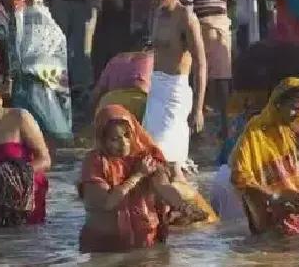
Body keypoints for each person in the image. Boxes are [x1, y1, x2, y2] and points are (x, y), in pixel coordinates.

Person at [78, 104, 209, 253]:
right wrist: (138, 175)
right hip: (104, 248)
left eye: (127, 136)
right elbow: (107, 202)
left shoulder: (146, 157)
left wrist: (183, 207)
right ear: (103, 139)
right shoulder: (95, 162)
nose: (123, 143)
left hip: (147, 244)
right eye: (115, 139)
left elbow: (163, 187)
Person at [230, 78, 299, 236]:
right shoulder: (256, 131)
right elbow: (239, 176)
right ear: (278, 104)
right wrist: (275, 196)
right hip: (271, 214)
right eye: (294, 109)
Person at [141, 0, 206, 180]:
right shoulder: (157, 14)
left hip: (176, 92)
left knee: (169, 157)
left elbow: (202, 64)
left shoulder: (186, 17)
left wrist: (198, 109)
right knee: (151, 155)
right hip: (156, 89)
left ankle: (186, 206)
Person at [1, 0, 72, 144]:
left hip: (40, 88)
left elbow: (44, 58)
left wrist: (25, 70)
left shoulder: (41, 22)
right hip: (22, 87)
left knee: (48, 135)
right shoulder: (13, 20)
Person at [0, 75, 50, 226]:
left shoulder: (20, 118)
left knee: (25, 245)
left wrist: (12, 175)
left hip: (24, 200)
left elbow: (45, 160)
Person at [181, 0, 234, 138]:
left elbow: (187, 4)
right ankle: (225, 124)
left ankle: (197, 118)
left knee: (198, 74)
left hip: (201, 25)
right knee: (222, 78)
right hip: (222, 25)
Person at [91, 49, 154, 121]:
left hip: (111, 101)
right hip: (139, 102)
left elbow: (98, 92)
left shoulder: (114, 60)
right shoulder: (153, 60)